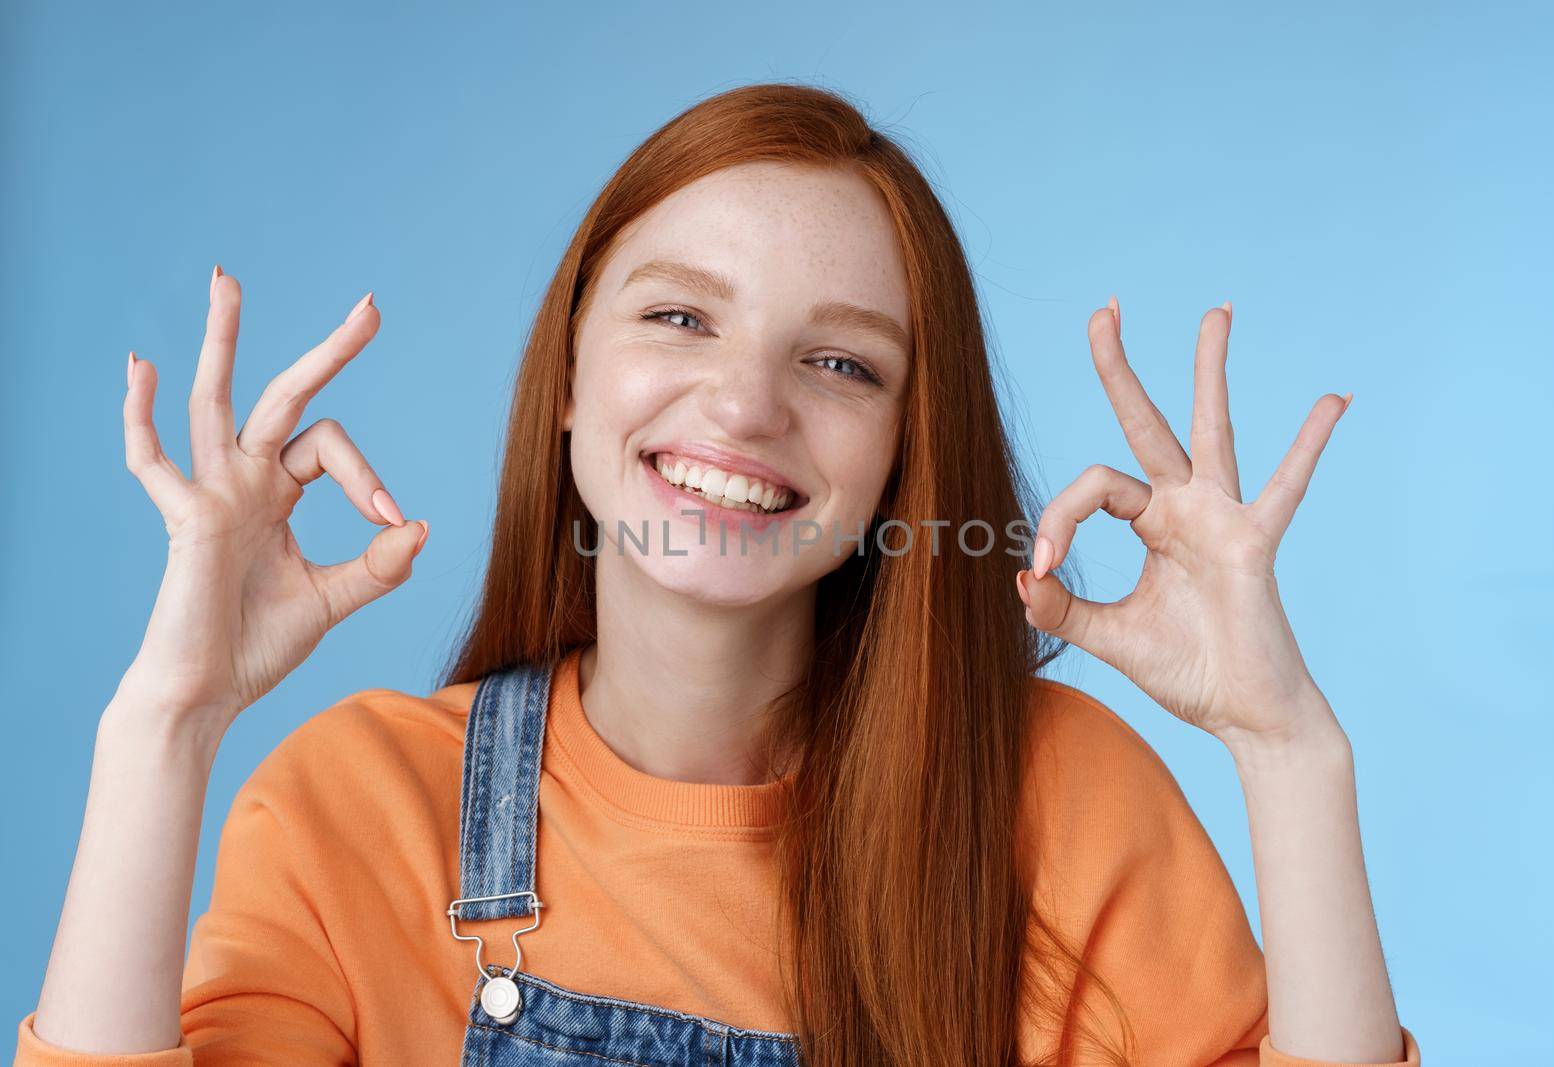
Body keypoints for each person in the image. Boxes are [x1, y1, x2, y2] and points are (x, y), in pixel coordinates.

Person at [16, 82, 1420, 1066]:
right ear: (569, 377)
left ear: (902, 453)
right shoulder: (356, 809)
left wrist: (1288, 750)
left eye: (840, 362)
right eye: (681, 316)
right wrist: (165, 725)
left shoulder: (1057, 804)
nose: (746, 407)